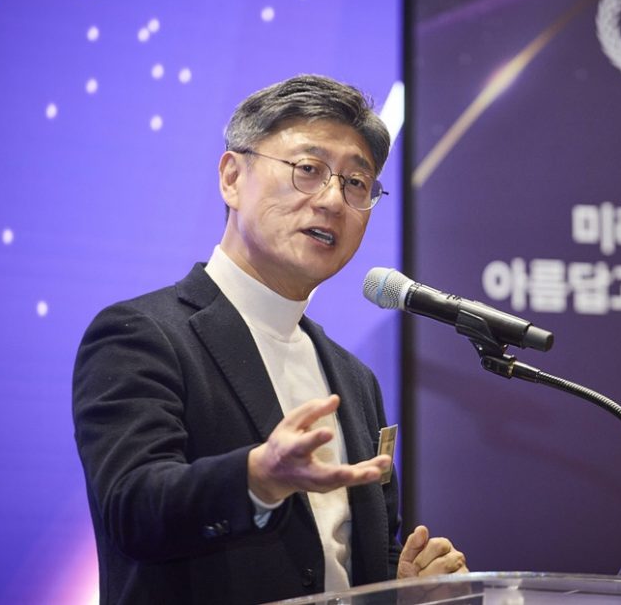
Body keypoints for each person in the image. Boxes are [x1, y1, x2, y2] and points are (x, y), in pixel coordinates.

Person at [72, 74, 466, 605]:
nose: (334, 200)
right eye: (309, 169)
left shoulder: (355, 380)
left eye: (357, 182)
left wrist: (403, 583)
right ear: (232, 177)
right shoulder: (141, 335)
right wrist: (257, 477)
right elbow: (133, 510)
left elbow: (341, 559)